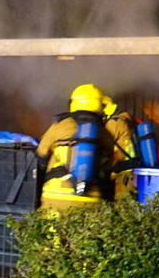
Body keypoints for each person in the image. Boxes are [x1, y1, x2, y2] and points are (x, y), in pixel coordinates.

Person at [35, 84, 116, 212]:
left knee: (52, 231)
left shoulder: (60, 125)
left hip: (55, 196)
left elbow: (41, 154)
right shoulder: (104, 133)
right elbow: (109, 167)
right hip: (90, 200)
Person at [101, 95, 140, 201]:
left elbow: (113, 150)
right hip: (132, 170)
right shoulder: (125, 118)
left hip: (124, 173)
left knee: (123, 206)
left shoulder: (114, 123)